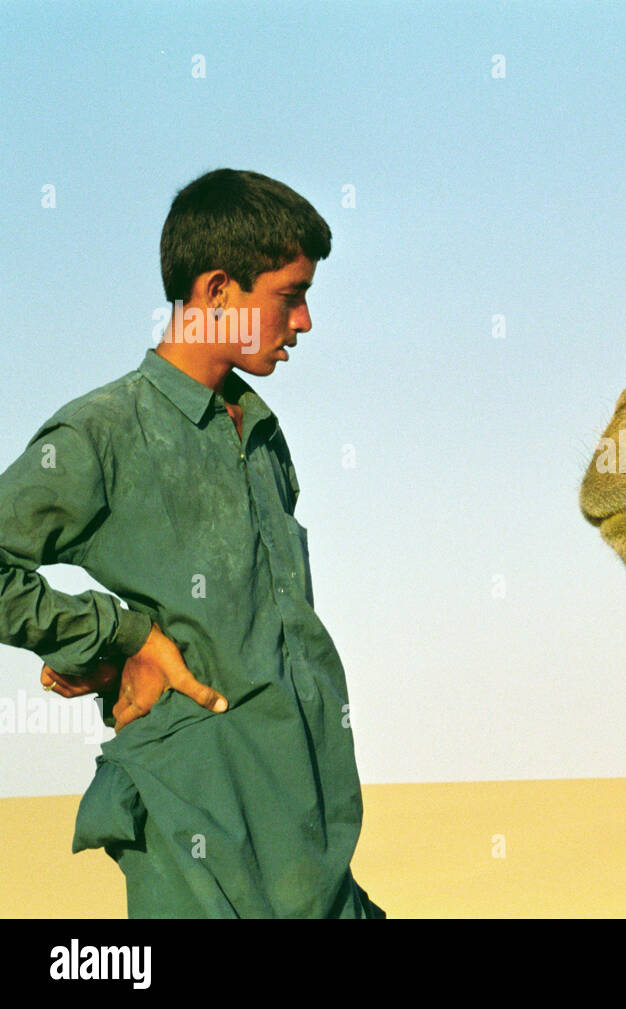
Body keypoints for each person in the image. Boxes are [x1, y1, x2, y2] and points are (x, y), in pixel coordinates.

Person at [0, 168, 383, 918]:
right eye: (288, 296)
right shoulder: (102, 432)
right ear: (215, 291)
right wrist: (117, 635)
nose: (303, 322)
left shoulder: (261, 434)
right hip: (195, 835)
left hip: (308, 842)